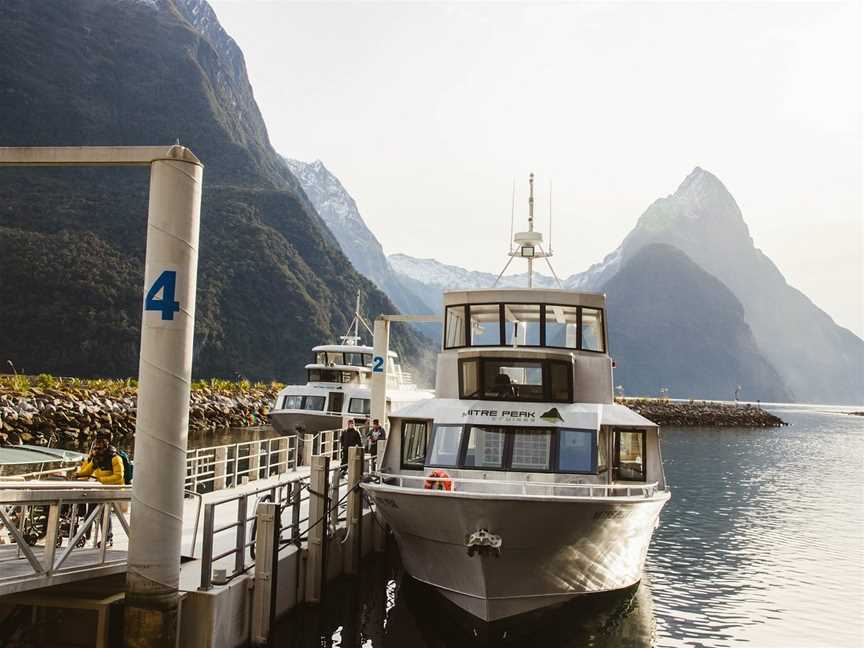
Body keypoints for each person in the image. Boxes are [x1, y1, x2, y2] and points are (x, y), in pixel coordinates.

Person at [75, 437, 124, 546]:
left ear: (105, 448)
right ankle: (85, 536)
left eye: (99, 449)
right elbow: (88, 470)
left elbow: (119, 476)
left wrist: (103, 480)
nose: (96, 451)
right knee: (89, 514)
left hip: (112, 489)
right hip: (100, 488)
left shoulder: (115, 459)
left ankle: (108, 539)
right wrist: (78, 474)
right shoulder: (96, 458)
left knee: (104, 514)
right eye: (95, 448)